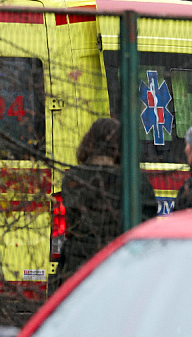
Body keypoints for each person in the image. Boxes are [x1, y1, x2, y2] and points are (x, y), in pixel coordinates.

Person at [60, 118, 158, 278]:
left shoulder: (74, 178)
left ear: (89, 142)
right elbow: (148, 221)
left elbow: (71, 221)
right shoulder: (134, 180)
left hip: (78, 266)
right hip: (120, 262)